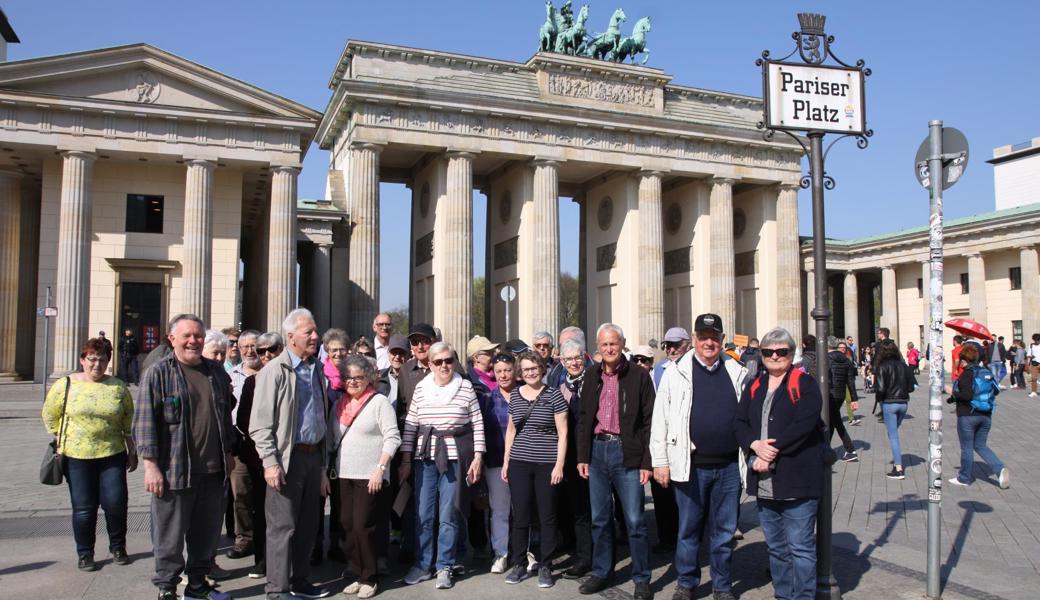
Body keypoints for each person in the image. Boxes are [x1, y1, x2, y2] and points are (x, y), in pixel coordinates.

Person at [134, 314, 236, 600]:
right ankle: (166, 588)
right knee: (169, 535)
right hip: (173, 471)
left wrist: (228, 451)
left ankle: (197, 585)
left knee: (206, 533)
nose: (193, 341)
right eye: (187, 336)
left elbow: (224, 415)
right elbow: (144, 422)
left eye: (198, 336)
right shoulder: (159, 372)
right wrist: (151, 466)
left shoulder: (216, 372)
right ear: (172, 339)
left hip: (213, 471)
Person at [650, 313, 748, 600]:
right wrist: (660, 461)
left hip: (729, 465)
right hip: (691, 466)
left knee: (724, 532)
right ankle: (687, 583)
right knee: (688, 530)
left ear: (722, 340)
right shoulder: (675, 372)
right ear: (693, 339)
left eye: (714, 337)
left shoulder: (736, 370)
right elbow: (661, 419)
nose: (708, 342)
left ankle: (722, 585)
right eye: (703, 337)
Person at [735, 327, 826, 600]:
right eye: (768, 352)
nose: (775, 356)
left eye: (781, 351)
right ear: (761, 354)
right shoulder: (754, 384)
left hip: (797, 479)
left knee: (800, 547)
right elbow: (739, 422)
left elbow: (805, 424)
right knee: (776, 548)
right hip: (764, 483)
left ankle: (804, 597)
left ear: (791, 353)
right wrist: (753, 445)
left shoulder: (805, 383)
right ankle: (783, 595)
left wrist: (769, 452)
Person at [250, 308, 332, 600]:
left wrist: (323, 466)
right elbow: (259, 425)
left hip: (313, 457)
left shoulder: (316, 369)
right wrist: (270, 463)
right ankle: (277, 589)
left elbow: (320, 417)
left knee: (309, 524)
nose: (314, 336)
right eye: (308, 332)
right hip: (287, 460)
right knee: (282, 527)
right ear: (290, 336)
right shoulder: (274, 371)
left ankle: (300, 580)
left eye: (315, 331)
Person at [42, 337, 136, 572]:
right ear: (82, 360)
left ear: (108, 362)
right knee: (84, 508)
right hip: (76, 456)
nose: (97, 365)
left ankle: (118, 547)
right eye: (92, 359)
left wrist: (132, 449)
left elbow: (127, 419)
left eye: (102, 360)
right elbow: (49, 414)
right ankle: (85, 553)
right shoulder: (65, 384)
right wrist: (61, 437)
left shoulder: (117, 386)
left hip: (112, 453)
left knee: (116, 504)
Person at [575, 323, 655, 600]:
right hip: (597, 452)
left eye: (614, 343)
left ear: (622, 344)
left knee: (635, 520)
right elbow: (584, 418)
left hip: (627, 453)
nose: (609, 349)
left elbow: (649, 422)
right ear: (598, 347)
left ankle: (642, 578)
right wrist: (582, 456)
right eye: (604, 344)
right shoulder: (591, 375)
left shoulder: (638, 376)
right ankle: (602, 571)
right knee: (600, 519)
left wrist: (647, 461)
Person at [399, 341, 485, 589]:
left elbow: (477, 424)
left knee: (449, 514)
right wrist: (406, 458)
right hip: (425, 457)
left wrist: (478, 457)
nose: (444, 366)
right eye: (438, 362)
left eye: (448, 360)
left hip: (456, 456)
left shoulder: (466, 387)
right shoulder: (421, 389)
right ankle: (423, 564)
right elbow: (411, 426)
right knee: (423, 513)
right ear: (430, 364)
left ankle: (444, 565)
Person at [329, 354, 401, 599]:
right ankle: (357, 570)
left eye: (358, 378)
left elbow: (393, 437)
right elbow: (330, 441)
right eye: (348, 378)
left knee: (363, 526)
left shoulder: (379, 402)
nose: (352, 382)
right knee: (347, 525)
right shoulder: (338, 404)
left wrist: (380, 468)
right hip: (342, 474)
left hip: (370, 475)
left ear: (368, 378)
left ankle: (369, 577)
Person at [500, 351, 568, 588]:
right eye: (526, 369)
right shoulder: (516, 396)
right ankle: (519, 564)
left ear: (542, 369)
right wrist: (506, 461)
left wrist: (559, 465)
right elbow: (511, 430)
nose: (530, 372)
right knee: (521, 516)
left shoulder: (554, 395)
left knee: (547, 516)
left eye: (534, 368)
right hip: (519, 463)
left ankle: (546, 565)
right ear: (521, 372)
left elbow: (563, 434)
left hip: (546, 464)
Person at [235, 331, 284, 579]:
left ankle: (284, 561)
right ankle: (262, 560)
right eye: (261, 351)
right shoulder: (251, 383)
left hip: (286, 456)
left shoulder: (290, 378)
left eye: (271, 350)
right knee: (260, 509)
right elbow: (244, 419)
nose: (265, 355)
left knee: (284, 513)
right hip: (259, 458)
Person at [946, 343, 1009, 489]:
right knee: (980, 445)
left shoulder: (967, 374)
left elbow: (966, 395)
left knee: (966, 447)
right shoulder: (985, 372)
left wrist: (952, 392)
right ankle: (999, 470)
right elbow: (996, 390)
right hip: (985, 414)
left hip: (968, 415)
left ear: (964, 361)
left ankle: (964, 477)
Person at [315, 328, 351, 564]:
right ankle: (315, 545)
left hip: (346, 445)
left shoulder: (353, 373)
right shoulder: (319, 374)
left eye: (341, 349)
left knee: (340, 499)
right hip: (321, 443)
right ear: (326, 351)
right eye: (333, 349)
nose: (338, 353)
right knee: (317, 498)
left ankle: (337, 543)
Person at [227, 330, 262, 561]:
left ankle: (263, 538)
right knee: (240, 494)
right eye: (245, 346)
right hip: (240, 444)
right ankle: (244, 539)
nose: (250, 351)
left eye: (254, 346)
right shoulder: (231, 375)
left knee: (264, 496)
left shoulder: (270, 374)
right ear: (239, 349)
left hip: (265, 446)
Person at [481, 353, 517, 574]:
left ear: (515, 371)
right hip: (495, 461)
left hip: (523, 461)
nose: (503, 375)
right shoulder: (487, 399)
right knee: (500, 509)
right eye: (499, 371)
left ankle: (524, 551)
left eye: (507, 370)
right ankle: (501, 552)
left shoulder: (526, 394)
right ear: (494, 372)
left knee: (523, 509)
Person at [875, 339, 915, 480]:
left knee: (893, 436)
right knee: (893, 433)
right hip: (904, 403)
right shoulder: (904, 366)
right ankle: (897, 464)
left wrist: (880, 399)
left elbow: (879, 388)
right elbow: (911, 387)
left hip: (889, 403)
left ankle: (898, 468)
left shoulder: (882, 366)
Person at [826, 336, 859, 462]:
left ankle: (850, 449)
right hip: (840, 395)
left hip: (829, 394)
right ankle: (826, 447)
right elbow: (851, 382)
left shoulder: (826, 359)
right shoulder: (846, 360)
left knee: (836, 422)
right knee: (833, 421)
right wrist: (854, 399)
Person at [1029, 333, 1040, 398]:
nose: (1037, 341)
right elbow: (1028, 354)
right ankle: (1034, 392)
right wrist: (1030, 356)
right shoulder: (1031, 346)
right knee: (1033, 378)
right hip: (1034, 364)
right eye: (1035, 340)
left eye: (1038, 340)